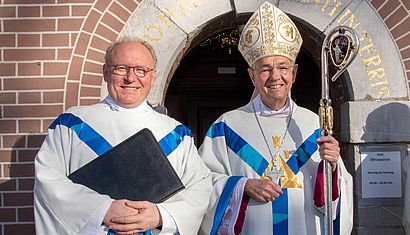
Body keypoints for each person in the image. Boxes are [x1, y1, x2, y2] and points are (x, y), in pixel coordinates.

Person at [198, 2, 353, 234]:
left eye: (282, 67)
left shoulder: (313, 125)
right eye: (265, 69)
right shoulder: (227, 127)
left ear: (294, 73)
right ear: (252, 76)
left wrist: (332, 168)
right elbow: (200, 184)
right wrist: (244, 186)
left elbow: (337, 196)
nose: (275, 77)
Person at [34, 37, 212, 235]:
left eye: (141, 70)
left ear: (152, 77)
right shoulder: (72, 124)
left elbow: (201, 188)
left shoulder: (177, 134)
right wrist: (102, 209)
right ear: (105, 72)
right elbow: (48, 180)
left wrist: (160, 214)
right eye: (121, 68)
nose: (130, 78)